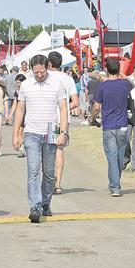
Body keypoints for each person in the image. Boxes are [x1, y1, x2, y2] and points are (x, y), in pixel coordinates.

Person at [12, 54, 69, 222]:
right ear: (31, 70)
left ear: (47, 67)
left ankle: (45, 202)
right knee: (33, 170)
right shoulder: (26, 85)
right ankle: (35, 206)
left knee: (50, 172)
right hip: (31, 131)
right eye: (36, 72)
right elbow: (20, 110)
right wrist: (16, 133)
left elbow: (63, 109)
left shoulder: (57, 84)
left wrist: (63, 133)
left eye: (42, 72)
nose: (39, 75)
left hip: (52, 129)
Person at [92, 58, 134, 196]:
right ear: (118, 69)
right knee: (119, 157)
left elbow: (97, 107)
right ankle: (115, 182)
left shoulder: (102, 86)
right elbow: (132, 83)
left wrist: (92, 118)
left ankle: (115, 186)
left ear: (106, 70)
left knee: (111, 156)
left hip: (109, 125)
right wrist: (121, 72)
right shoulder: (124, 84)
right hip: (123, 125)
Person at [47, 51, 79, 194]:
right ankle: (58, 183)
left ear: (48, 63)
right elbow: (75, 102)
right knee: (59, 150)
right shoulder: (68, 78)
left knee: (47, 151)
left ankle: (48, 181)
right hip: (63, 120)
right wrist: (64, 109)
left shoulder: (45, 77)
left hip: (47, 118)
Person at [7, 73, 26, 157]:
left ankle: (23, 148)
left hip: (26, 113)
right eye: (17, 83)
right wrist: (10, 114)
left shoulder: (27, 90)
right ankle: (22, 148)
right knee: (18, 131)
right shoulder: (17, 91)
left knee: (21, 132)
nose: (18, 85)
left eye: (19, 83)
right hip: (19, 113)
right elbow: (15, 103)